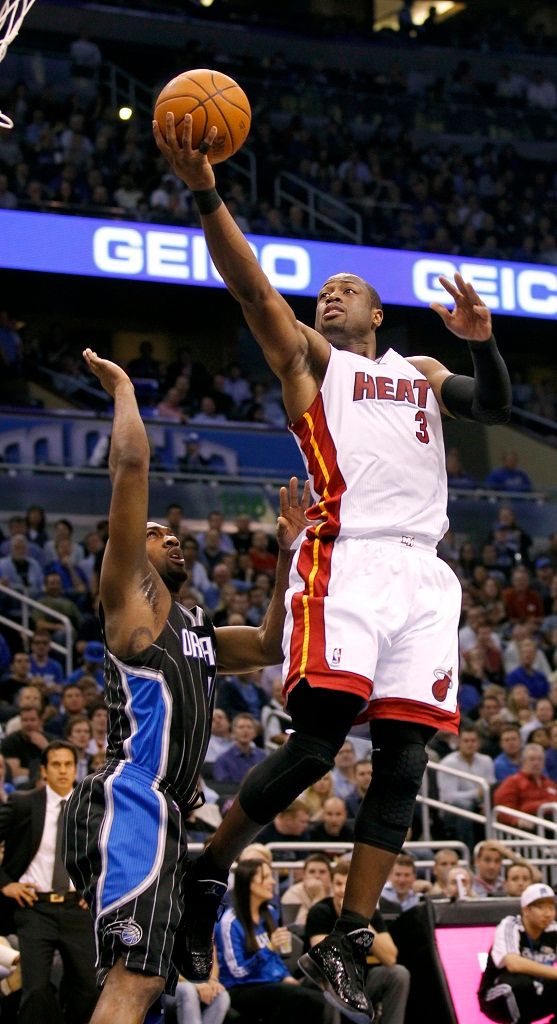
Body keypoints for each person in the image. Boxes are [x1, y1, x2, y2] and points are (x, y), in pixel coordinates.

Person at [153, 110, 512, 1023]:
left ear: (378, 312)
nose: (332, 295)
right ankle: (206, 870)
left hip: (424, 576)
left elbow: (498, 406)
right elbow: (250, 291)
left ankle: (347, 936)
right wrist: (205, 193)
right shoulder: (312, 367)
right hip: (345, 557)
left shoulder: (423, 368)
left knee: (402, 765)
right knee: (316, 745)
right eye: (324, 290)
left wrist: (480, 335)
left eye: (348, 288)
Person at [63, 349, 310, 1024]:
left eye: (173, 531)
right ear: (124, 555)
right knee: (134, 982)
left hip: (168, 810)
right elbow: (132, 467)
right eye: (154, 532)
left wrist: (288, 554)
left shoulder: (195, 632)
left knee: (152, 985)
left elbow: (265, 645)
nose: (170, 535)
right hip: (132, 794)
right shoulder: (130, 606)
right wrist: (122, 390)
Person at [0, 740, 97, 1023]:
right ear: (43, 770)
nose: (63, 771)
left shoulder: (90, 808)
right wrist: (5, 882)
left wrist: (92, 888)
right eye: (56, 764)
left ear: (75, 769)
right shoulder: (23, 803)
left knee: (89, 989)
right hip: (34, 907)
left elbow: (107, 853)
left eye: (68, 764)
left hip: (77, 909)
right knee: (36, 989)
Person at [215, 858, 327, 1024]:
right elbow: (237, 972)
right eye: (266, 877)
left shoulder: (270, 912)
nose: (272, 881)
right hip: (240, 988)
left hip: (271, 983)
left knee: (320, 991)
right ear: (250, 884)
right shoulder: (229, 922)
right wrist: (269, 947)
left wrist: (285, 976)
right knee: (299, 998)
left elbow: (275, 958)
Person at [307, 859, 410, 1024]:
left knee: (398, 973)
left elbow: (390, 958)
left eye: (347, 885)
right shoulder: (320, 912)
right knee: (334, 983)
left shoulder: (370, 913)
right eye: (338, 884)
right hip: (323, 982)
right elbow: (326, 962)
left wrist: (359, 921)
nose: (342, 890)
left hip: (360, 982)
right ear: (332, 886)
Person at [478, 882, 557, 1023]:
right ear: (526, 910)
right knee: (520, 983)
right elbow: (513, 964)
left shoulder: (553, 930)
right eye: (541, 907)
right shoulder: (510, 925)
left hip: (536, 991)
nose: (548, 913)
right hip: (495, 996)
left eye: (551, 907)